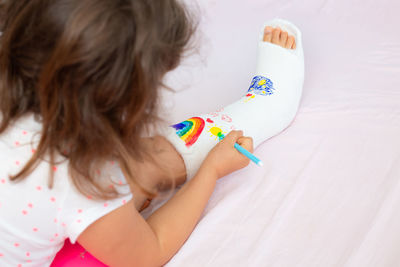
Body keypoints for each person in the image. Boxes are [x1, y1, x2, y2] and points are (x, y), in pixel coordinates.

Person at [0, 0, 302, 266]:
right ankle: (262, 111)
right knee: (132, 168)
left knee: (126, 169)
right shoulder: (81, 176)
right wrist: (210, 171)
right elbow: (149, 252)